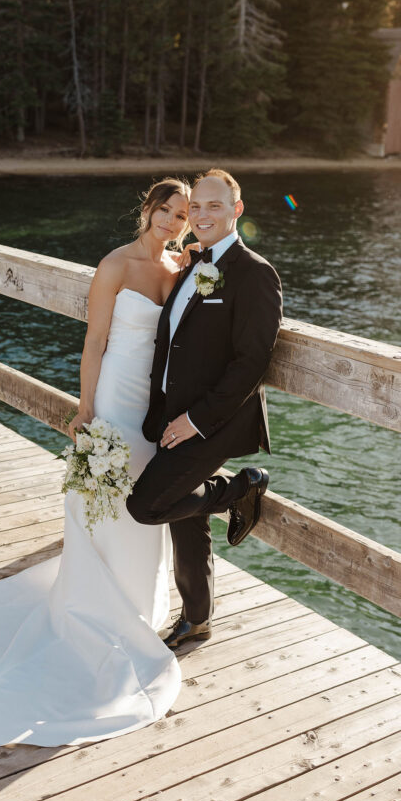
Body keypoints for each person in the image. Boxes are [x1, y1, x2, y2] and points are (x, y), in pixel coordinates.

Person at [0, 177, 193, 746]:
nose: (173, 221)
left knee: (141, 502)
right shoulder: (114, 266)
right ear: (149, 209)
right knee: (100, 502)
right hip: (114, 400)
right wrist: (86, 408)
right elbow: (94, 341)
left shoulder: (181, 270)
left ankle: (134, 603)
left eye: (182, 215)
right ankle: (93, 607)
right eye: (167, 210)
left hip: (154, 411)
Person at [126, 168, 283, 650]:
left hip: (214, 422)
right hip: (171, 416)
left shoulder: (255, 273)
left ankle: (239, 489)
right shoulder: (194, 262)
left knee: (146, 504)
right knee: (183, 515)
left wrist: (194, 421)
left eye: (215, 206)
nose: (201, 214)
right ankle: (197, 618)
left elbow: (251, 362)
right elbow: (172, 344)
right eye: (196, 207)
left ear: (237, 211)